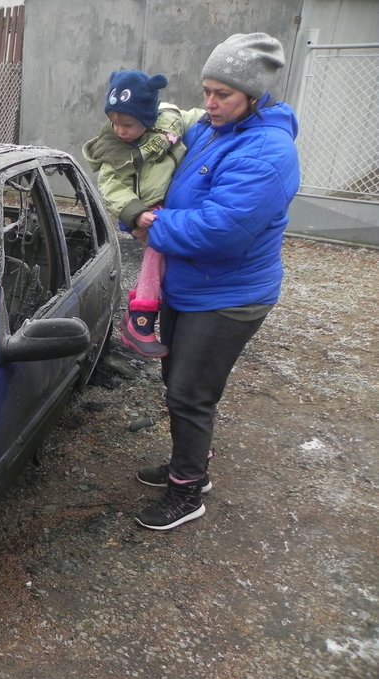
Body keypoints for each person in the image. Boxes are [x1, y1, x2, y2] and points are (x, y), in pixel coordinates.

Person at [133, 32, 301, 530]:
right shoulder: (213, 128)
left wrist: (149, 223)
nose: (209, 103)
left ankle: (186, 491)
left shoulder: (267, 153)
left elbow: (221, 230)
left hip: (229, 294)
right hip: (190, 284)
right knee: (177, 382)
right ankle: (192, 464)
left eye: (222, 94)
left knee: (190, 390)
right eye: (206, 91)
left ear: (253, 95)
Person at [83, 69, 192, 359]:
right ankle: (140, 320)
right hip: (146, 211)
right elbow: (111, 186)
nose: (119, 130)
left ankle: (141, 314)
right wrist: (135, 212)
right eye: (114, 122)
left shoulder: (170, 122)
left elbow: (197, 119)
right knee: (157, 252)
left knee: (163, 264)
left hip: (173, 206)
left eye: (127, 124)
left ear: (147, 118)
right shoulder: (114, 150)